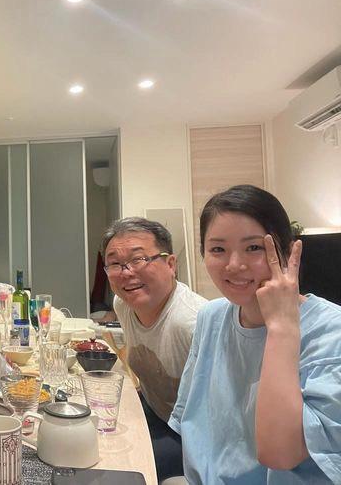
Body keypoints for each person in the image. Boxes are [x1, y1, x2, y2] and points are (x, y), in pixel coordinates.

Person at [169, 185, 341, 483]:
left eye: (254, 248)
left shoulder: (331, 332)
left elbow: (281, 454)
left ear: (288, 251)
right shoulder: (211, 317)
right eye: (218, 249)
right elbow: (192, 424)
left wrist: (282, 326)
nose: (234, 265)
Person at [101, 217, 206, 481]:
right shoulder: (123, 304)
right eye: (115, 263)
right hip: (153, 413)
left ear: (170, 264)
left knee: (111, 463)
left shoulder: (192, 322)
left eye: (138, 259)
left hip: (192, 439)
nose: (126, 272)